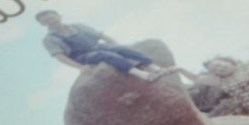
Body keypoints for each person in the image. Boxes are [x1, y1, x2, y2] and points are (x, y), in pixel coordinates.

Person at [36, 10, 169, 81]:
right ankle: (142, 75)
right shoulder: (50, 39)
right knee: (105, 55)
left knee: (119, 48)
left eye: (52, 17)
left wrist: (118, 45)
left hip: (97, 45)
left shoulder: (78, 26)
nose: (51, 20)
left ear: (59, 16)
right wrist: (80, 67)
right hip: (81, 56)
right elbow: (60, 57)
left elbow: (101, 35)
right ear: (43, 24)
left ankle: (155, 68)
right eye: (46, 20)